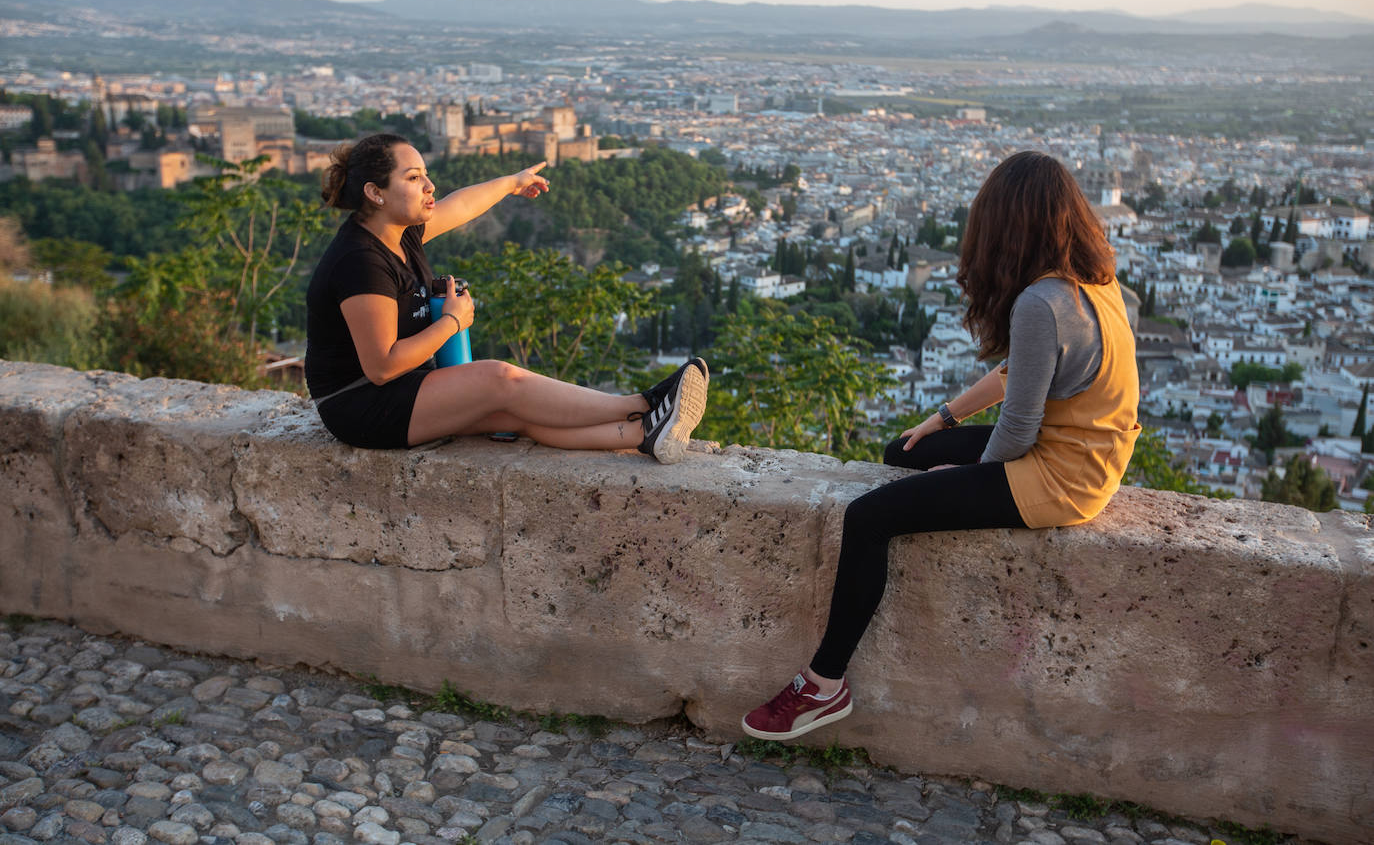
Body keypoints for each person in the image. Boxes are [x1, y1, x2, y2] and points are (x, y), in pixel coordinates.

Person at [741, 150, 1140, 740]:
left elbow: (1018, 430)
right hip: (1084, 454)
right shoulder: (1095, 285)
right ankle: (825, 681)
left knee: (869, 517)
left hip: (1061, 478)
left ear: (1005, 225)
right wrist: (943, 421)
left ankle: (823, 686)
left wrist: (964, 480)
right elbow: (1019, 375)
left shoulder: (1040, 304)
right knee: (901, 453)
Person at [306, 133, 708, 460]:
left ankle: (643, 433)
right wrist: (453, 322)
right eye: (413, 179)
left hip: (401, 388)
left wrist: (512, 183)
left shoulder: (399, 232)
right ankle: (645, 402)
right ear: (375, 193)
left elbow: (459, 204)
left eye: (426, 175)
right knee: (500, 379)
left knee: (514, 413)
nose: (430, 186)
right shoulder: (361, 261)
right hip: (359, 404)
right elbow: (381, 367)